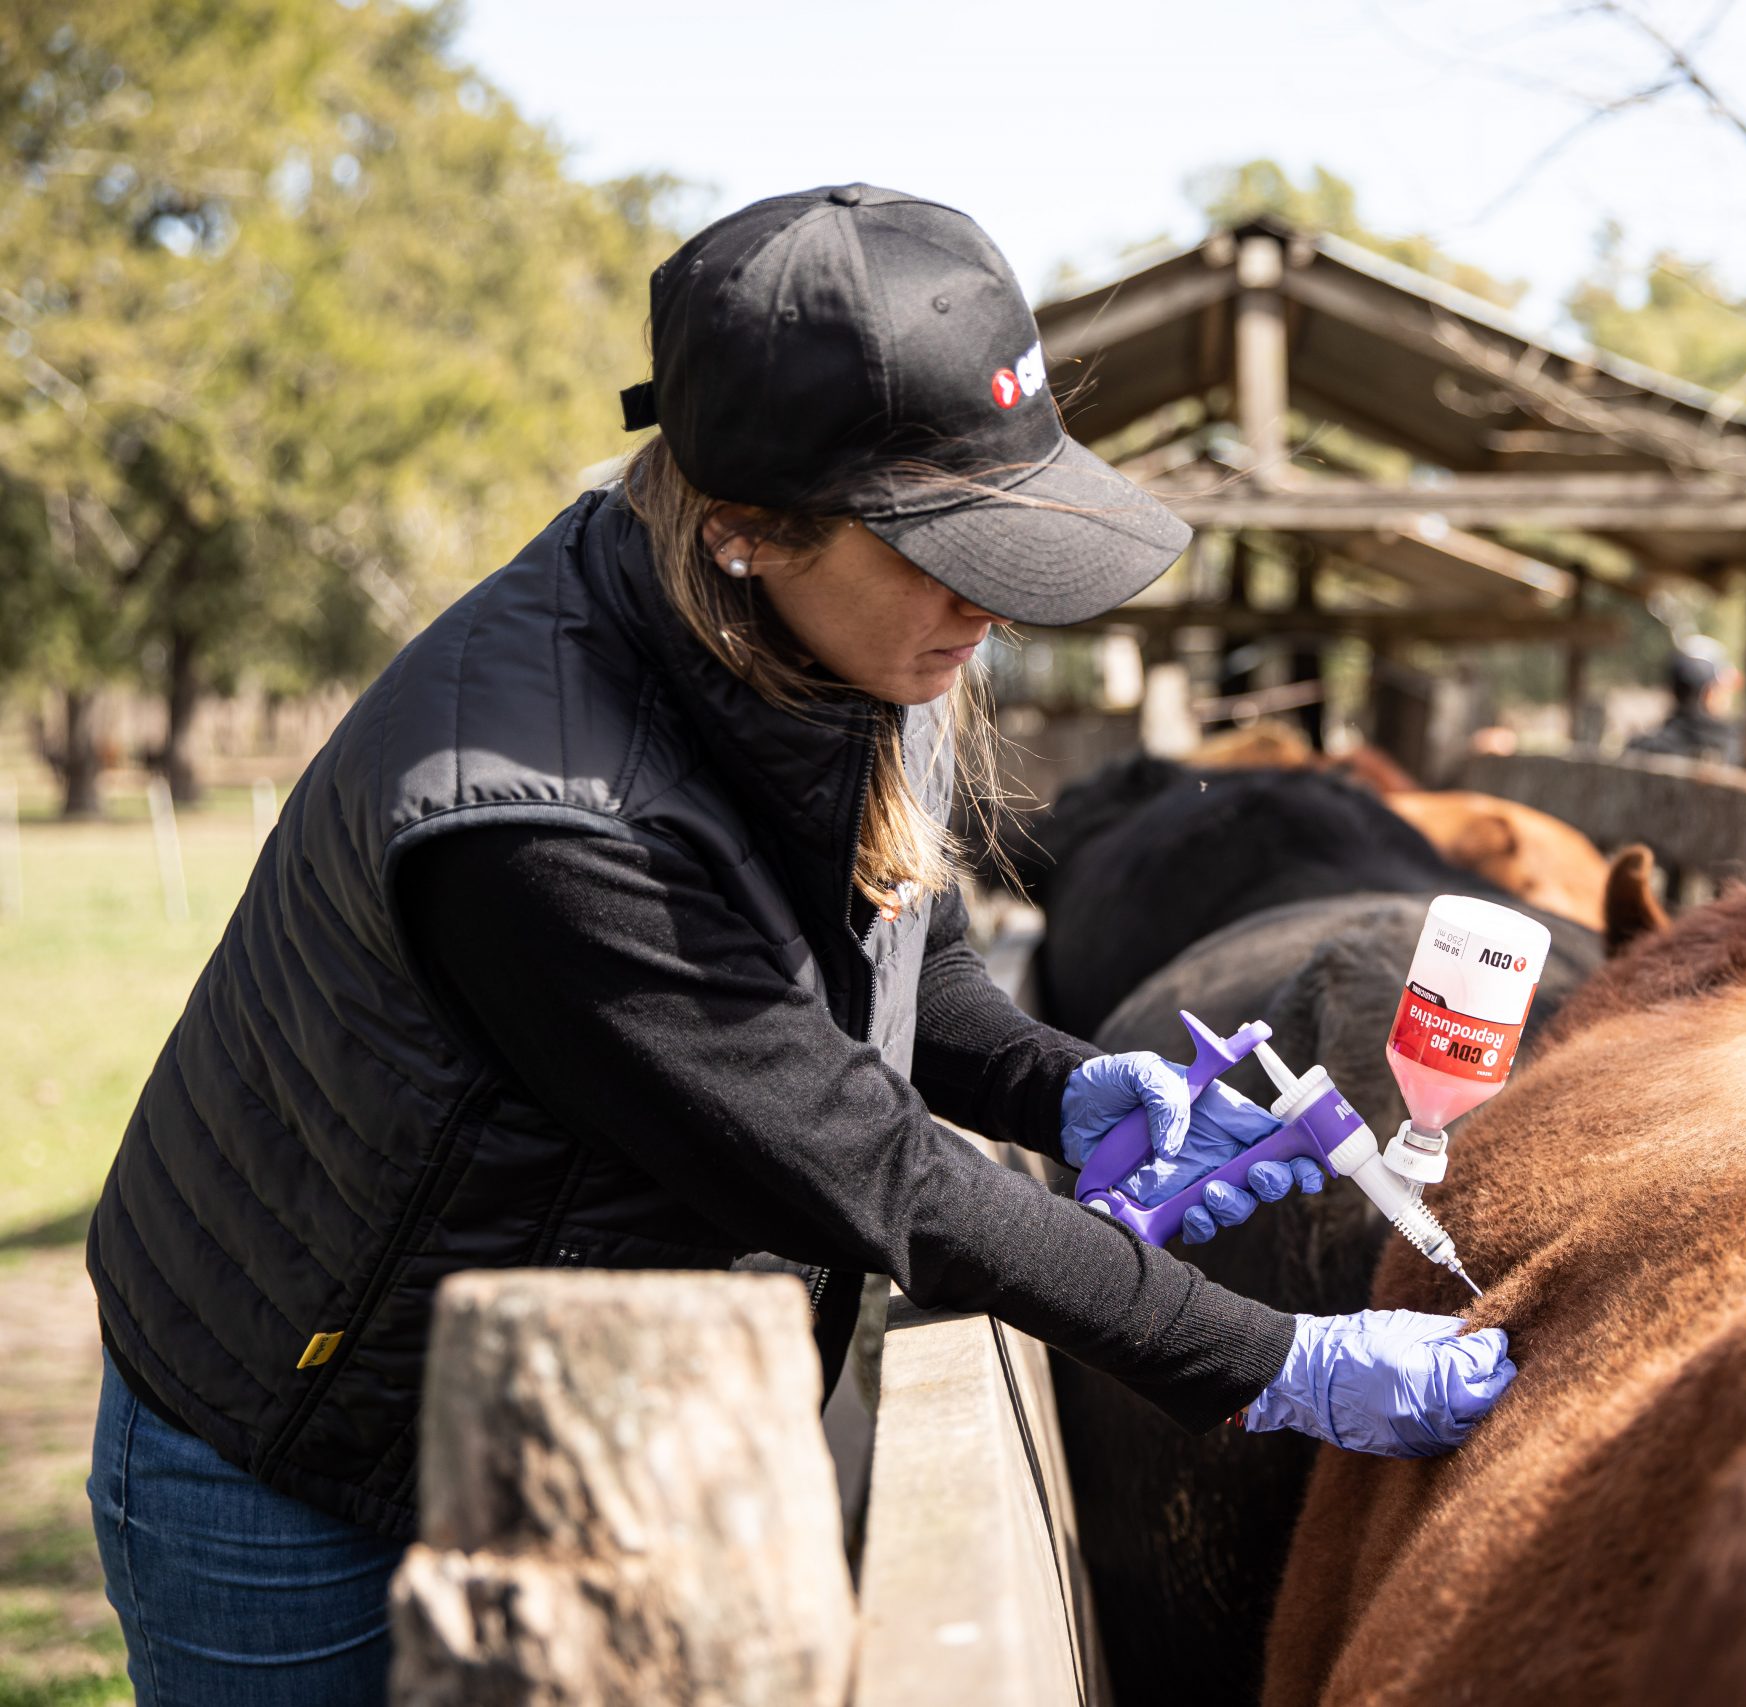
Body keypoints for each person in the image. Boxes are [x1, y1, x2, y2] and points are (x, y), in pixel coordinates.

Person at [82, 185, 1515, 1707]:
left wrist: (1063, 1085)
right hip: (307, 1436)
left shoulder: (843, 649)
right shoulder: (535, 820)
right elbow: (860, 1160)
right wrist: (1275, 1359)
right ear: (749, 526)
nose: (989, 610)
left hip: (578, 1379)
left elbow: (906, 947)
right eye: (941, 550)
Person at [1626, 636, 1746, 767]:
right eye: (1723, 687)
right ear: (1709, 693)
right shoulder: (1740, 750)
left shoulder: (1641, 749)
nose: (1728, 694)